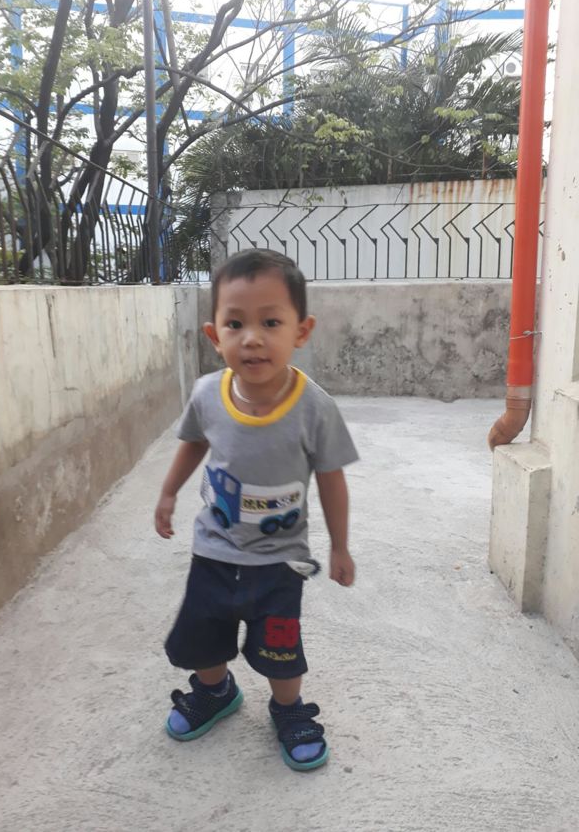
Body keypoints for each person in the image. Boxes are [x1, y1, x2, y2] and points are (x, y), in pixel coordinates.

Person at [154, 248, 358, 772]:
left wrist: (340, 546)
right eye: (235, 323)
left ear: (301, 331)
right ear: (213, 334)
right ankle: (215, 691)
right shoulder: (207, 394)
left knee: (280, 650)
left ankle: (288, 709)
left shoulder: (315, 408)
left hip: (279, 562)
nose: (252, 338)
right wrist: (169, 491)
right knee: (202, 638)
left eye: (270, 322)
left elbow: (332, 480)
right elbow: (194, 443)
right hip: (214, 551)